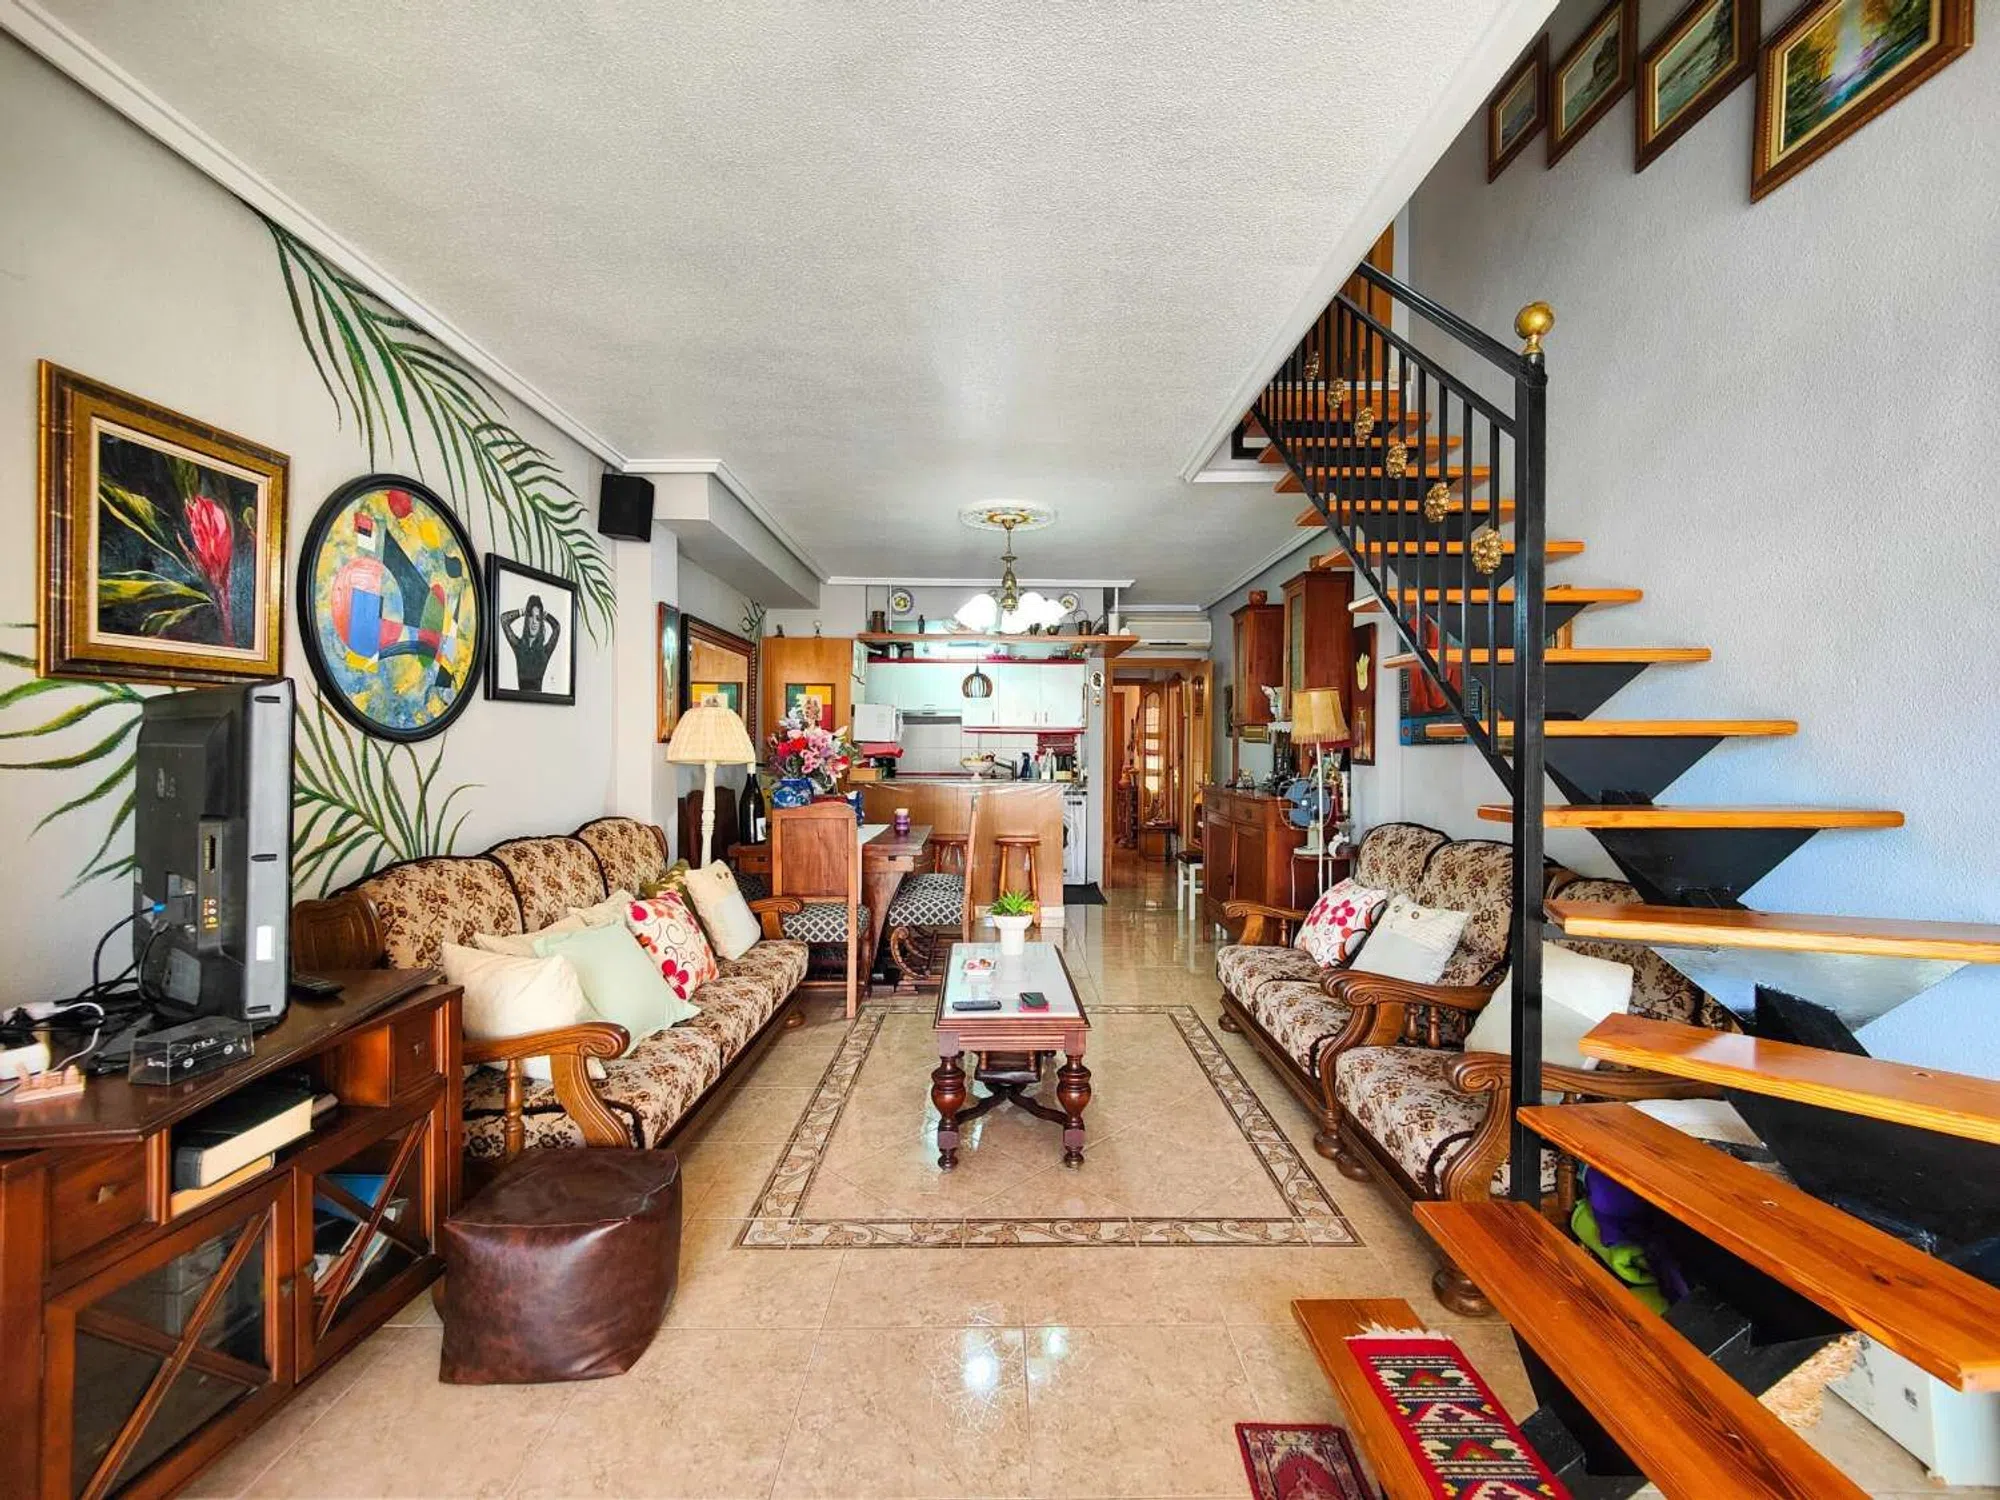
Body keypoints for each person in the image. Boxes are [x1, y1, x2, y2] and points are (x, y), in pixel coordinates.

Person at [501, 593, 561, 692]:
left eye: (538, 618)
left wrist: (544, 615)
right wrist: (523, 611)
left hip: (539, 699)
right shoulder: (519, 646)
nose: (534, 622)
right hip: (518, 698)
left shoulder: (545, 652)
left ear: (541, 622)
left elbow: (557, 628)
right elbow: (504, 619)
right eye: (531, 617)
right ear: (526, 619)